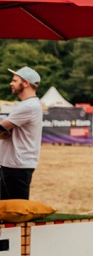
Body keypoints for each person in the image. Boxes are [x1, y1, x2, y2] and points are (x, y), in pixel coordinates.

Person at [0, 67, 43, 200]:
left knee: (15, 210)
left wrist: (4, 132)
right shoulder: (27, 104)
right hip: (14, 165)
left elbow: (2, 131)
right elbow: (4, 132)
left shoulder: (28, 106)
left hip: (16, 167)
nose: (11, 83)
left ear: (26, 83)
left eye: (14, 80)